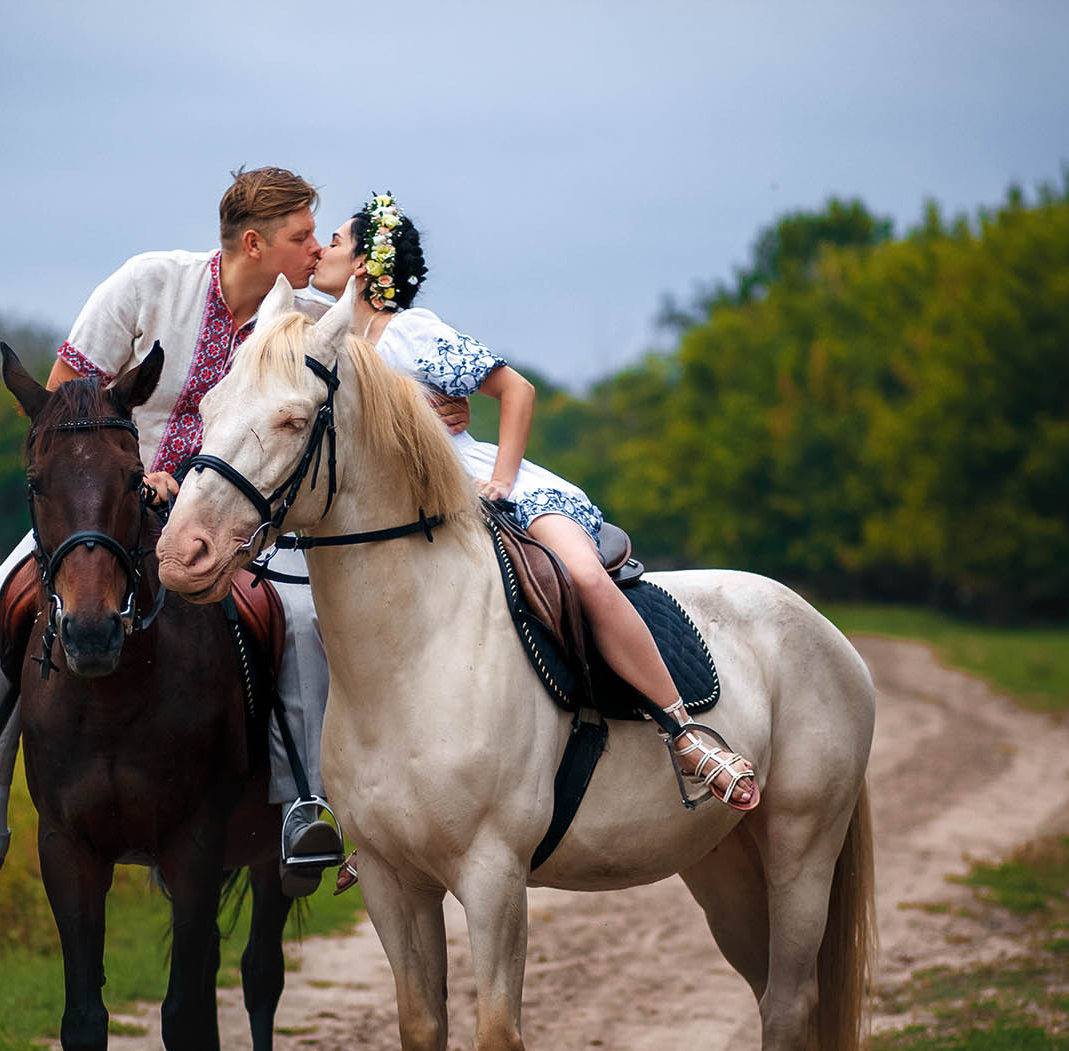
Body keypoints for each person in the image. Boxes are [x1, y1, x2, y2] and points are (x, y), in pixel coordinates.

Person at [0, 167, 375, 893]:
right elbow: (58, 401)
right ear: (254, 243)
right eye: (302, 236)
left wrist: (443, 402)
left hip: (238, 514)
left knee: (302, 618)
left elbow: (378, 358)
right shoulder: (146, 284)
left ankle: (302, 805)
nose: (315, 249)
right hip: (107, 507)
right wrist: (132, 472)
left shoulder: (299, 315)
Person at [307, 193, 759, 811]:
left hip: (502, 490)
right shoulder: (324, 341)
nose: (320, 251)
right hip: (413, 513)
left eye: (333, 240)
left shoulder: (411, 334)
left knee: (583, 577)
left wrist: (500, 477)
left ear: (363, 263)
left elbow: (516, 390)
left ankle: (686, 732)